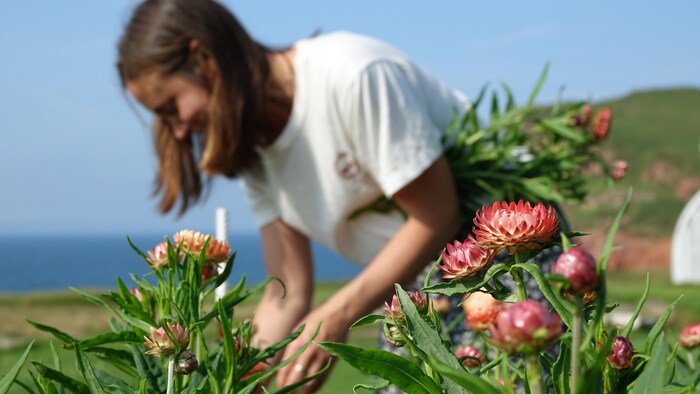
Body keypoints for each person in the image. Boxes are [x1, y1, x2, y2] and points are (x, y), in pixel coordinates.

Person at [118, 1, 556, 392]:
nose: (177, 130)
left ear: (203, 59)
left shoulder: (350, 75)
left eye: (171, 107)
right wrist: (243, 375)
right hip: (414, 287)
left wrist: (337, 315)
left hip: (507, 261)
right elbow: (286, 294)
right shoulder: (254, 150)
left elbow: (436, 213)